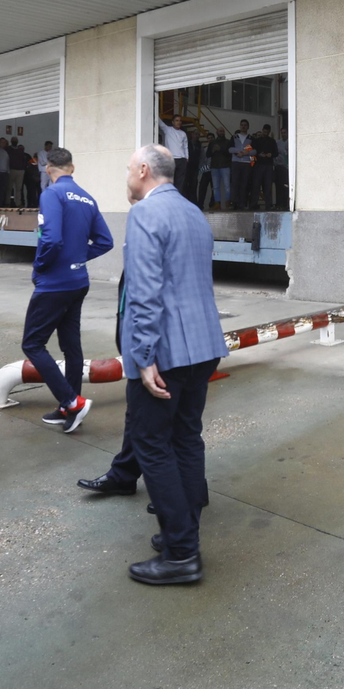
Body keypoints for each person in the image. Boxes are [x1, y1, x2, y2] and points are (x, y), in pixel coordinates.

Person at [119, 144, 223, 585]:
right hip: (203, 343)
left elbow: (145, 292)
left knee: (151, 443)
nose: (127, 175)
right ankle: (185, 528)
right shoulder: (193, 213)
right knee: (185, 436)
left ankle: (181, 553)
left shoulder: (145, 214)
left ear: (143, 170)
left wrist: (143, 357)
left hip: (166, 351)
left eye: (129, 168)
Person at [24, 147, 113, 433]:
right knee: (70, 345)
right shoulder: (87, 198)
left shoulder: (51, 194)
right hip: (78, 282)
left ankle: (71, 402)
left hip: (54, 284)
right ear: (71, 168)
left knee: (32, 344)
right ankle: (69, 407)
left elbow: (50, 239)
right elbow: (105, 241)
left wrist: (39, 267)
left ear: (47, 169)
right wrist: (78, 257)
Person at [161, 115, 191, 206]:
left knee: (180, 182)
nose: (179, 122)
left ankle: (177, 201)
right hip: (171, 159)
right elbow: (159, 122)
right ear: (173, 122)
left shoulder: (183, 133)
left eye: (180, 121)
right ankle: (169, 201)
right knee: (170, 180)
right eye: (177, 120)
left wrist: (187, 157)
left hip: (182, 159)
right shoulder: (167, 129)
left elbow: (185, 146)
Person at [250, 124, 278, 209]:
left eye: (267, 132)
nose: (265, 133)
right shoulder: (256, 141)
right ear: (262, 130)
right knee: (256, 186)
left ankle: (268, 205)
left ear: (269, 132)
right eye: (264, 131)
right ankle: (253, 204)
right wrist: (258, 155)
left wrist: (271, 154)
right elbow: (251, 152)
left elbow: (276, 153)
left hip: (268, 165)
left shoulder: (272, 141)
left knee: (267, 186)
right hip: (259, 165)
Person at [229, 119, 254, 210]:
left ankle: (242, 203)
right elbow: (230, 149)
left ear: (248, 127)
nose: (243, 126)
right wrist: (238, 152)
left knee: (244, 184)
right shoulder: (234, 137)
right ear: (240, 126)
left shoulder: (251, 138)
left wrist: (245, 153)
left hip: (246, 163)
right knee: (235, 183)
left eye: (245, 125)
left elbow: (254, 151)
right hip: (236, 162)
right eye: (242, 125)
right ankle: (233, 203)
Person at [206, 129, 232, 211]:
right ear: (216, 132)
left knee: (227, 186)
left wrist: (220, 149)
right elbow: (208, 155)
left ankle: (228, 203)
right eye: (220, 131)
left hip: (225, 166)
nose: (222, 132)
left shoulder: (228, 142)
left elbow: (230, 154)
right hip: (214, 167)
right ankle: (217, 204)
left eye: (223, 131)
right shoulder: (212, 142)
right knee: (215, 187)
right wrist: (213, 150)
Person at [274, 128, 290, 209]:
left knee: (286, 187)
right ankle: (279, 204)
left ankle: (286, 204)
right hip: (279, 167)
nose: (283, 134)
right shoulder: (278, 143)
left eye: (285, 133)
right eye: (282, 133)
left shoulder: (291, 141)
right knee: (279, 186)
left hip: (288, 168)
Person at [0, 137, 11, 208]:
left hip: (5, 173)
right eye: (2, 142)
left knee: (4, 189)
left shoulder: (7, 151)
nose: (3, 143)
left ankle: (2, 204)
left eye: (4, 142)